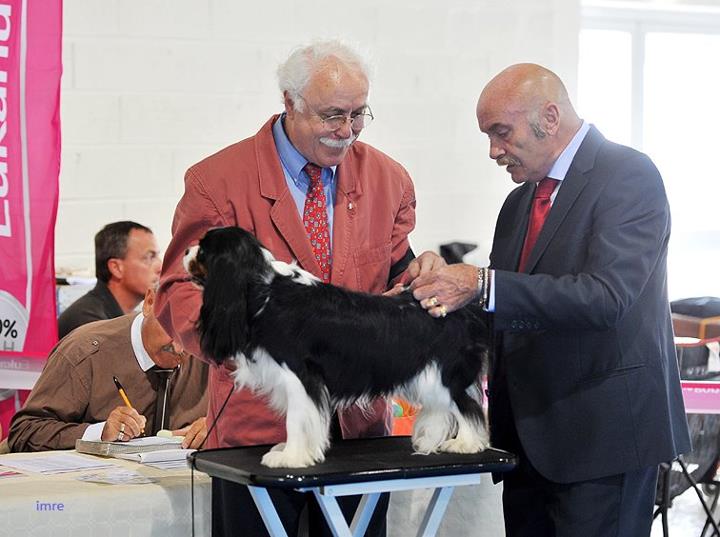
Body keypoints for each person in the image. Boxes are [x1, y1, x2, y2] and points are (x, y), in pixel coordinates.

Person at [155, 40, 443, 537]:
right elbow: (178, 290)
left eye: (358, 114)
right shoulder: (216, 182)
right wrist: (246, 344)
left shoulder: (389, 180)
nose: (346, 130)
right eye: (332, 115)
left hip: (358, 429)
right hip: (259, 428)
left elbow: (397, 268)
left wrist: (420, 276)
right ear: (290, 102)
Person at [409, 63, 691, 537]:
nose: (493, 151)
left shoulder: (629, 175)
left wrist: (482, 283)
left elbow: (606, 298)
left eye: (501, 132)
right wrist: (437, 289)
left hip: (602, 445)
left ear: (550, 117)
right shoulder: (518, 203)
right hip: (527, 445)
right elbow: (503, 308)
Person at [8, 288, 208, 452]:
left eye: (191, 335)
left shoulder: (212, 354)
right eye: (171, 328)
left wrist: (216, 427)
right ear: (149, 302)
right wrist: (100, 433)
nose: (179, 349)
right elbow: (24, 431)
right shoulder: (85, 353)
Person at [58, 221, 162, 339]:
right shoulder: (90, 323)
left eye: (157, 256)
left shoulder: (115, 316)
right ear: (116, 268)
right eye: (149, 257)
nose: (161, 267)